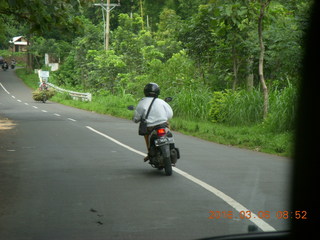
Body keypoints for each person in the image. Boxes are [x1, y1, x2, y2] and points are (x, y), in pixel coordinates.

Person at [133, 83, 173, 161]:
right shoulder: (161, 102)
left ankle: (149, 153)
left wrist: (137, 120)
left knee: (146, 134)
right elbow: (170, 114)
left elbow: (136, 118)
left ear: (145, 91)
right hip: (162, 125)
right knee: (168, 128)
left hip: (150, 127)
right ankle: (170, 142)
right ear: (158, 92)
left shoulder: (142, 102)